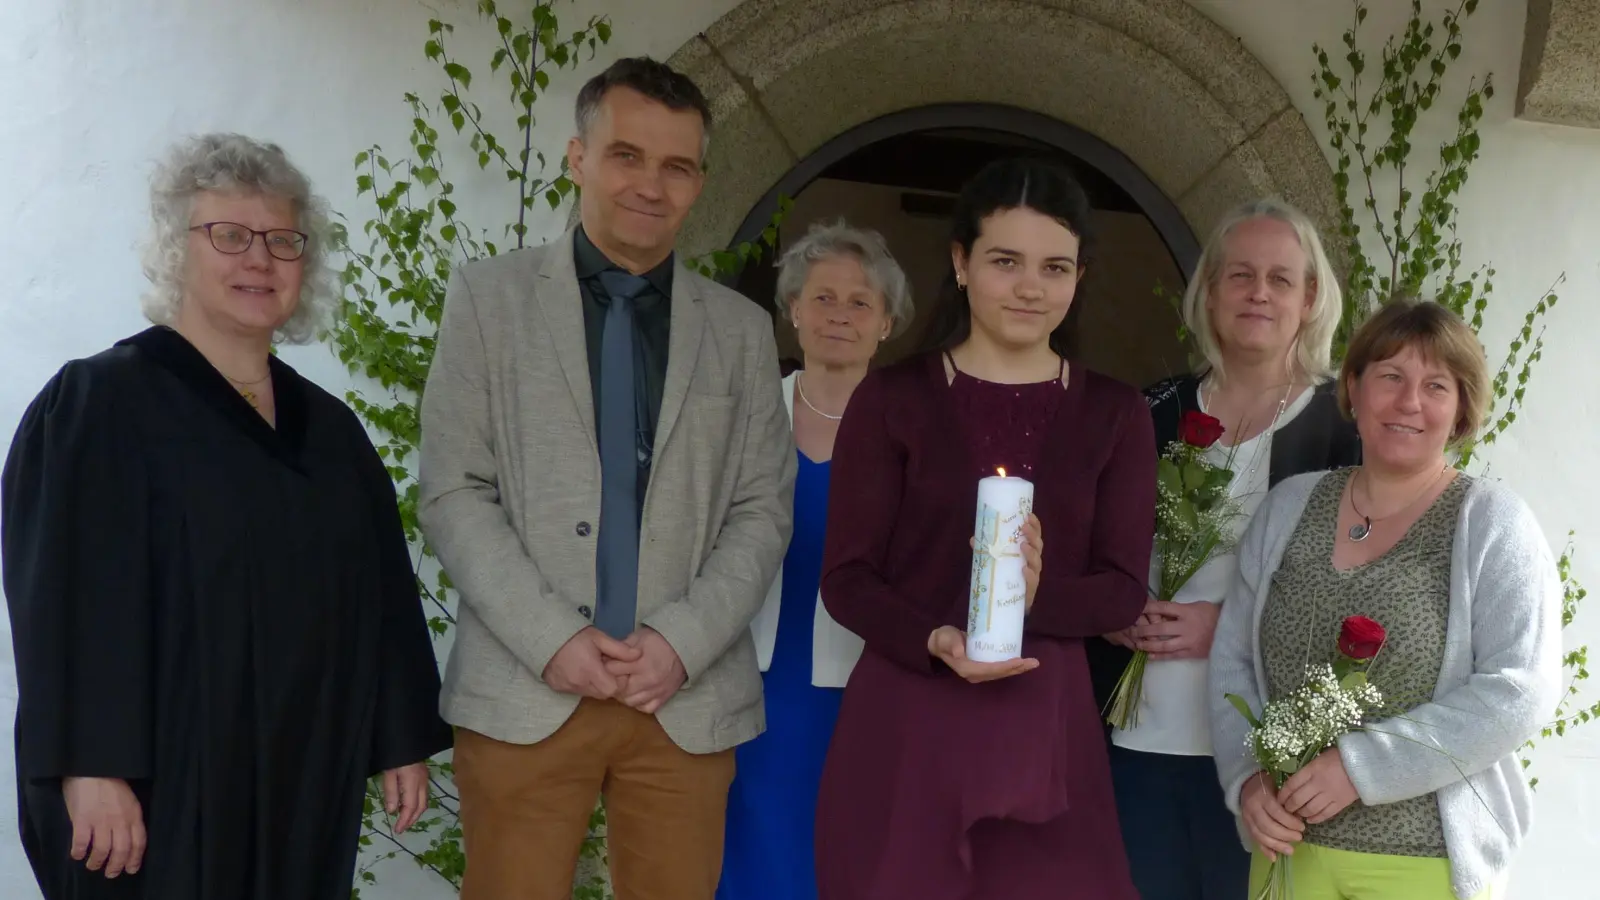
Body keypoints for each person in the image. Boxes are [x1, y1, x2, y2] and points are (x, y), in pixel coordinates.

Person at [1, 133, 452, 900]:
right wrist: (89, 764)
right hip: (160, 781)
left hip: (302, 776)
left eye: (282, 240)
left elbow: (378, 588)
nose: (260, 260)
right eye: (230, 236)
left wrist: (397, 738)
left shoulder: (330, 431)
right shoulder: (102, 403)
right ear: (178, 250)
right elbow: (63, 600)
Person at [417, 57, 795, 900]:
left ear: (699, 182)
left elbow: (763, 511)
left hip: (683, 700)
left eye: (677, 166)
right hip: (526, 685)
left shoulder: (739, 331)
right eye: (627, 155)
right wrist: (550, 637)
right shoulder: (488, 300)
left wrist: (682, 642)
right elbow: (453, 489)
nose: (650, 185)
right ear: (577, 155)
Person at [814, 158, 1154, 900]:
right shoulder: (892, 399)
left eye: (1054, 266)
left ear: (1079, 277)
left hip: (1045, 727)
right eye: (1006, 261)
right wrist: (936, 639)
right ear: (961, 263)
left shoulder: (1114, 414)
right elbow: (846, 579)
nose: (1031, 286)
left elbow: (1123, 592)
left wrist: (1037, 597)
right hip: (909, 716)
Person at [1209, 299, 1563, 899]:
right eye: (1390, 377)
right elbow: (1232, 661)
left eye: (1436, 385)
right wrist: (1247, 781)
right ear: (1354, 387)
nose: (1409, 402)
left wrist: (1359, 766)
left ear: (1460, 410)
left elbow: (1520, 688)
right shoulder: (1289, 507)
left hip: (1424, 863)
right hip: (1290, 853)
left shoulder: (1493, 523)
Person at [1089, 198, 1360, 900]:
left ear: (1309, 299)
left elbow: (1359, 591)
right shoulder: (1150, 410)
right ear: (1209, 292)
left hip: (1259, 760)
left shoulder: (1344, 430)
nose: (1258, 293)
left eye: (1279, 278)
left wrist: (1228, 625)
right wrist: (1108, 605)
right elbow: (1087, 542)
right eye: (1239, 275)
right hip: (1138, 738)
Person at [719, 221, 913, 900]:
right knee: (748, 859)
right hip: (745, 687)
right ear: (792, 310)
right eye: (821, 297)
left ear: (887, 322)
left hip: (868, 693)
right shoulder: (741, 416)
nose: (839, 314)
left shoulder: (913, 430)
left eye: (860, 302)